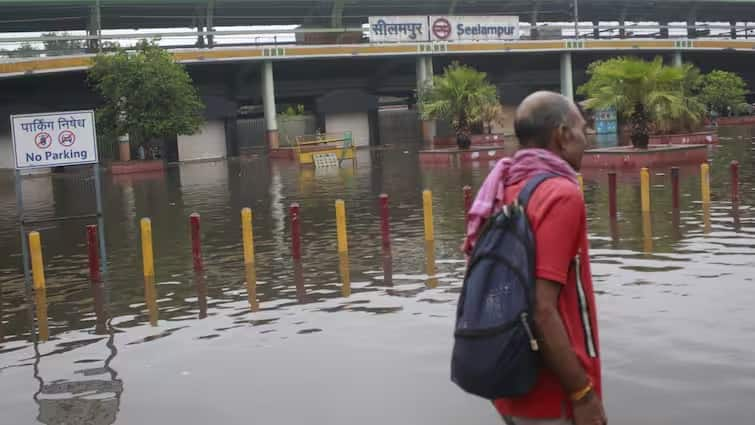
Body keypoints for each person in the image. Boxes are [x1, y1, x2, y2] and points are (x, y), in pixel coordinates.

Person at [463, 91, 605, 425]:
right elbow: (543, 310)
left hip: (509, 382)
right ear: (562, 134)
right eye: (583, 129)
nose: (587, 138)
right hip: (554, 395)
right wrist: (582, 395)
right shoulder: (561, 194)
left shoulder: (505, 186)